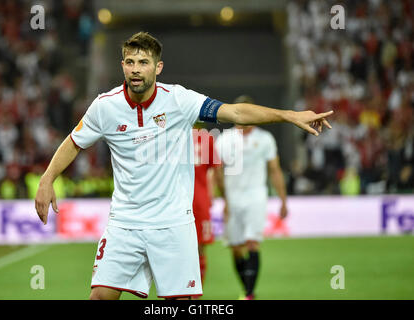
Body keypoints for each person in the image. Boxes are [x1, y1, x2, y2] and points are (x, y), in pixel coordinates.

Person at [34, 32, 333, 300]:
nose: (135, 69)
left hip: (174, 224)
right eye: (129, 62)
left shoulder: (179, 100)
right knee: (99, 297)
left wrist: (290, 115)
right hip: (125, 223)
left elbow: (236, 113)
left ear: (157, 67)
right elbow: (74, 141)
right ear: (122, 65)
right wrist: (48, 178)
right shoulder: (105, 106)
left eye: (143, 62)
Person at [214, 94, 290, 300]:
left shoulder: (264, 139)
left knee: (252, 243)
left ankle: (248, 294)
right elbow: (217, 171)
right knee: (236, 248)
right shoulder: (224, 139)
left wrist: (283, 200)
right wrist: (224, 200)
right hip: (233, 198)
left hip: (256, 196)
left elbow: (275, 170)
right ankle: (249, 290)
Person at [192, 123, 220, 287]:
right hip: (201, 201)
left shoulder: (172, 137)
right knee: (200, 249)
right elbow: (216, 169)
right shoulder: (207, 138)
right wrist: (214, 192)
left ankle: (186, 291)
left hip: (179, 201)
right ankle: (196, 291)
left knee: (181, 250)